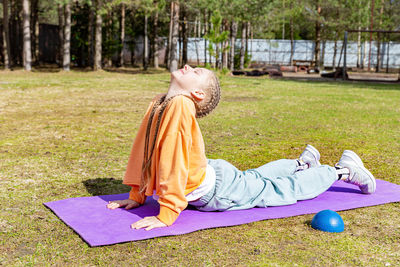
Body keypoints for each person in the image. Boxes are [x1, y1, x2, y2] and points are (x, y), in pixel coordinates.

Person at [107, 65, 376, 231]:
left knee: (281, 190)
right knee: (256, 179)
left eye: (196, 72)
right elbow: (146, 150)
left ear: (197, 95)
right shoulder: (161, 101)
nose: (188, 66)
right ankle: (301, 164)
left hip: (217, 189)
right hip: (213, 174)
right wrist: (138, 193)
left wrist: (166, 213)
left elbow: (172, 160)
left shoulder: (179, 105)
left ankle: (342, 170)